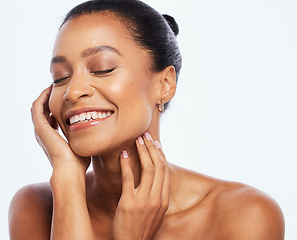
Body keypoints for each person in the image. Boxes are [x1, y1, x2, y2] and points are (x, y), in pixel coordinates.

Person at [9, 0, 285, 239]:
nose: (72, 91)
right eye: (60, 77)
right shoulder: (36, 207)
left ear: (164, 84)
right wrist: (67, 177)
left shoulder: (243, 215)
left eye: (103, 69)